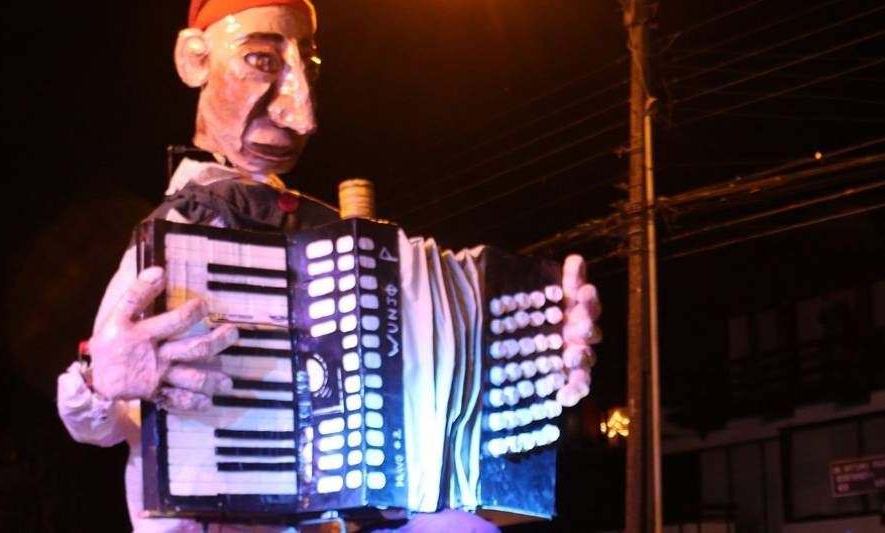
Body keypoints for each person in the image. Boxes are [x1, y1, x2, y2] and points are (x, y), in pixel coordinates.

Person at [56, 1, 602, 531]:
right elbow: (98, 423)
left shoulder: (321, 231)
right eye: (262, 61)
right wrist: (100, 383)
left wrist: (533, 353)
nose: (304, 115)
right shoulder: (183, 230)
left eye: (308, 72)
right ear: (195, 59)